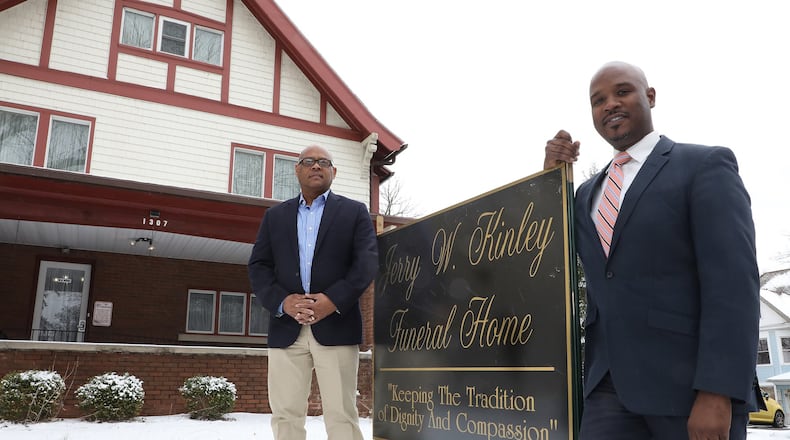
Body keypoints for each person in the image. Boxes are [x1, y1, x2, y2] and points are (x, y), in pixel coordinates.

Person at [544, 61, 760, 439]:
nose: (610, 103)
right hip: (606, 390)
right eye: (598, 100)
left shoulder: (703, 165)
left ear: (650, 96)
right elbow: (548, 259)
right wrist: (548, 180)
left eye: (622, 92)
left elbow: (734, 285)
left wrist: (717, 391)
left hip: (688, 389)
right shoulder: (583, 195)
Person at [248, 145, 378, 440]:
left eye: (323, 162)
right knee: (285, 416)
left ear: (334, 171)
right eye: (308, 161)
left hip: (337, 326)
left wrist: (332, 301)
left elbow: (366, 263)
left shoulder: (354, 212)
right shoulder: (275, 217)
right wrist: (283, 301)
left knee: (342, 415)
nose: (316, 166)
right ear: (297, 169)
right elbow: (259, 266)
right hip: (285, 329)